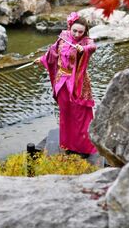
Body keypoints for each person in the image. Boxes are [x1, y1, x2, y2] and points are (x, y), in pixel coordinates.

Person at [36, 11, 98, 156]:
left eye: (80, 32)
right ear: (70, 27)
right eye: (74, 30)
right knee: (65, 113)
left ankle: (84, 148)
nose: (76, 34)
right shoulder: (63, 37)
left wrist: (83, 49)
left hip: (78, 82)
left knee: (80, 115)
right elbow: (52, 52)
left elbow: (92, 47)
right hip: (62, 81)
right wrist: (42, 59)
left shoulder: (86, 42)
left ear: (85, 32)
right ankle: (68, 145)